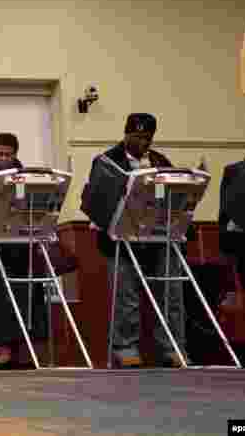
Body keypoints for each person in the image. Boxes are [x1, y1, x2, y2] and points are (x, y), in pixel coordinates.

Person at [85, 112, 188, 368]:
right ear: (126, 134)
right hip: (120, 238)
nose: (142, 142)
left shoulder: (160, 161)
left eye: (147, 137)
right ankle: (125, 347)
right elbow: (96, 200)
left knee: (170, 294)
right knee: (126, 296)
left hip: (158, 238)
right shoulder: (107, 161)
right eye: (137, 136)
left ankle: (172, 347)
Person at [0, 133, 49, 369]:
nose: (4, 159)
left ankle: (25, 350)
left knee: (28, 297)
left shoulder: (27, 176)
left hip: (22, 246)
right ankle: (4, 351)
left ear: (16, 154)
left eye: (8, 154)